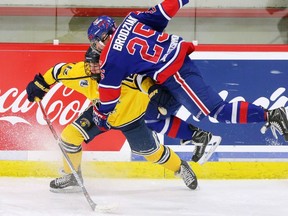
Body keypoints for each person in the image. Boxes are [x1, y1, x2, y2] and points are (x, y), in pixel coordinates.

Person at [87, 0, 288, 143]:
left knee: (217, 111)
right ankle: (199, 138)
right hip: (173, 68)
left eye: (95, 42)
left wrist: (101, 114)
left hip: (175, 74)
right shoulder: (131, 20)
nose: (94, 47)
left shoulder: (109, 58)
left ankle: (271, 115)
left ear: (103, 37)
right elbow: (164, 10)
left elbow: (109, 97)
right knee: (152, 118)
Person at [26, 47, 221, 192]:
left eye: (98, 64)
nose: (93, 68)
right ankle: (72, 176)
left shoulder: (124, 75)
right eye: (90, 63)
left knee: (151, 153)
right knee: (69, 137)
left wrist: (154, 91)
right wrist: (40, 84)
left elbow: (143, 82)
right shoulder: (80, 72)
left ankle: (180, 167)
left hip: (132, 119)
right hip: (100, 114)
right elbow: (58, 71)